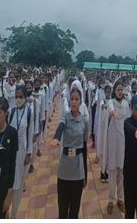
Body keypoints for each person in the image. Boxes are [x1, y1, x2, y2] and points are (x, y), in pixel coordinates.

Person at [51, 87, 89, 219]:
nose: (73, 102)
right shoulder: (65, 117)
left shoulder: (85, 120)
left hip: (78, 170)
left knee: (74, 210)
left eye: (76, 99)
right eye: (71, 99)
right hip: (64, 168)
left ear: (80, 101)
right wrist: (56, 137)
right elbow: (60, 126)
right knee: (62, 210)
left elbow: (84, 147)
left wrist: (86, 174)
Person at [8, 86, 34, 218]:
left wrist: (29, 153)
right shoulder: (11, 112)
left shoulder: (29, 112)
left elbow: (30, 133)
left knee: (18, 182)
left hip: (22, 151)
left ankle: (14, 214)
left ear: (25, 97)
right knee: (8, 182)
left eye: (21, 97)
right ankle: (5, 211)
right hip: (9, 151)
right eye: (16, 97)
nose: (18, 99)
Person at [106, 80, 130, 214]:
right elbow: (111, 110)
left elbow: (127, 121)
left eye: (121, 89)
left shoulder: (126, 104)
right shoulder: (111, 102)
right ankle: (110, 200)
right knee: (113, 170)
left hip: (123, 140)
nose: (120, 91)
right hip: (113, 140)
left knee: (122, 170)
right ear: (114, 91)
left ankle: (120, 199)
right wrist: (114, 114)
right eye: (118, 89)